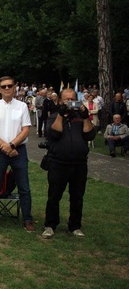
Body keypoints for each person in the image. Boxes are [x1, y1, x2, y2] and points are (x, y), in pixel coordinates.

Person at [42, 88, 96, 239]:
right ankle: (50, 225)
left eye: (73, 99)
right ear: (60, 101)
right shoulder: (54, 117)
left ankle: (75, 226)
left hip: (79, 163)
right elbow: (54, 134)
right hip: (58, 163)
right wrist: (61, 114)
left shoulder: (81, 116)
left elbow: (90, 134)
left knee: (77, 196)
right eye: (67, 99)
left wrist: (85, 117)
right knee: (54, 195)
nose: (70, 102)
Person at [0, 76, 35, 232]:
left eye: (10, 86)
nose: (7, 89)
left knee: (24, 186)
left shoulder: (22, 107)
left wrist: (12, 145)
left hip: (18, 150)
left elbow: (26, 130)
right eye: (4, 86)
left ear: (15, 88)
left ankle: (27, 219)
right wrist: (4, 147)